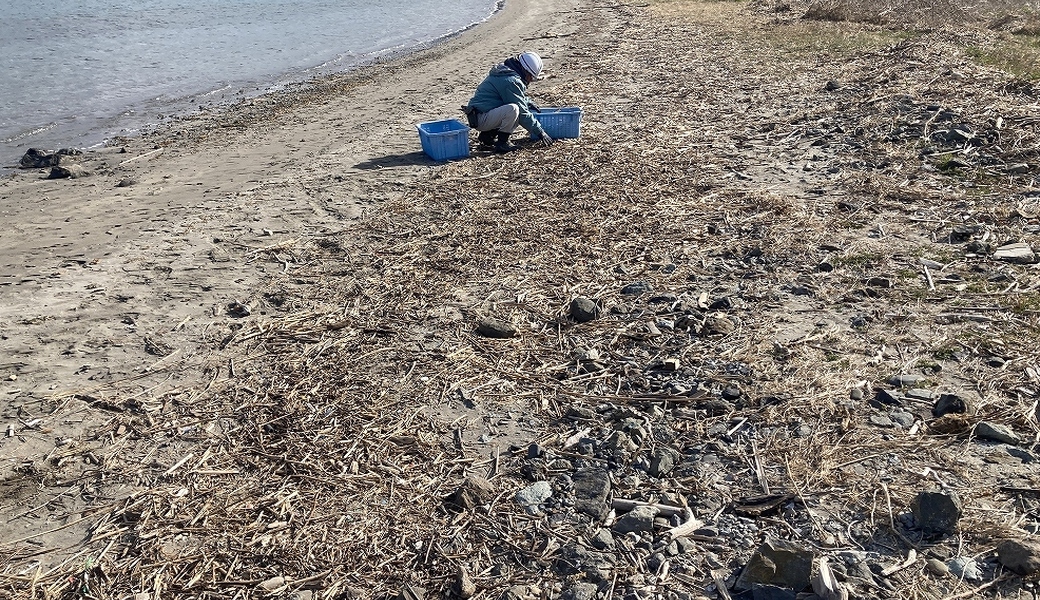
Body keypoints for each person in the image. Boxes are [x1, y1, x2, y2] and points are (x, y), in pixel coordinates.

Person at [463, 51, 554, 153]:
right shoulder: (511, 81)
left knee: (513, 108)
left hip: (481, 115)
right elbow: (522, 112)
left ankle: (487, 137)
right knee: (514, 110)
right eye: (531, 77)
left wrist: (527, 101)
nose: (530, 81)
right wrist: (540, 132)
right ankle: (502, 143)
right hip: (481, 119)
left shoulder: (506, 73)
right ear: (525, 70)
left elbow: (510, 96)